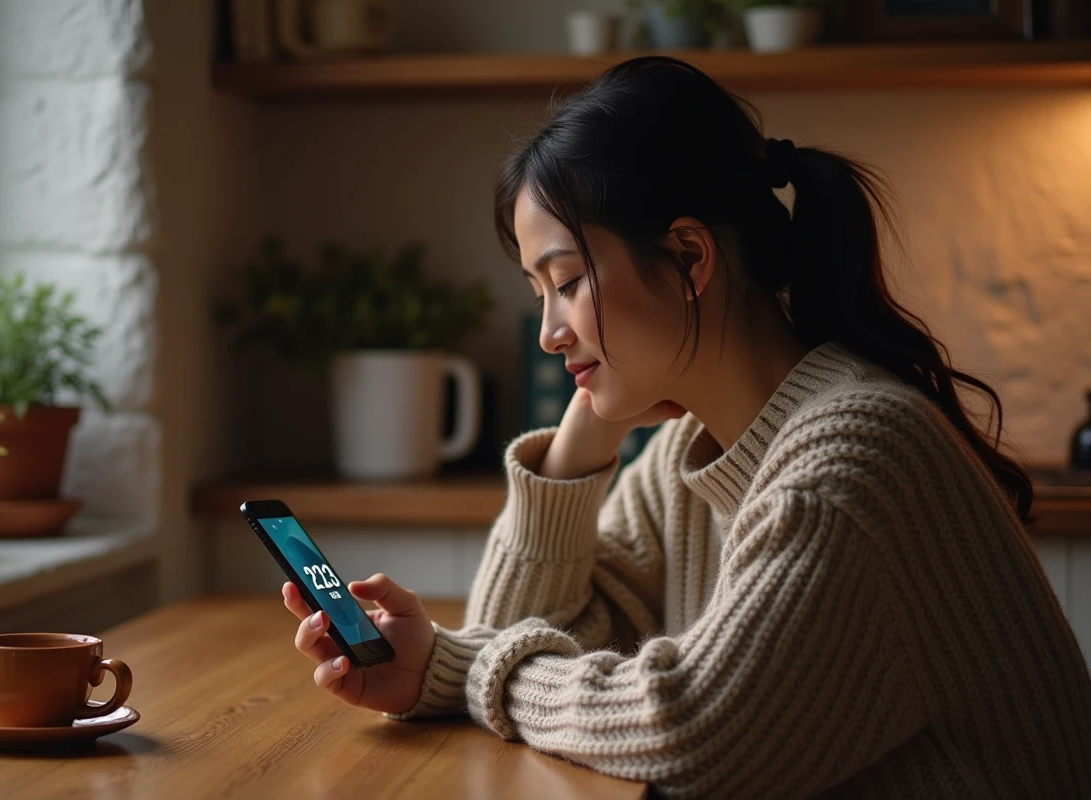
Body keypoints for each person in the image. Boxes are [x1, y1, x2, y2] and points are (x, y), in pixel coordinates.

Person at [280, 56, 1091, 798]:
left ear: (691, 258)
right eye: (540, 294)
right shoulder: (690, 456)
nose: (549, 334)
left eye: (566, 283)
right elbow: (532, 630)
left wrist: (463, 672)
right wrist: (579, 444)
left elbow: (692, 727)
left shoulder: (853, 461)